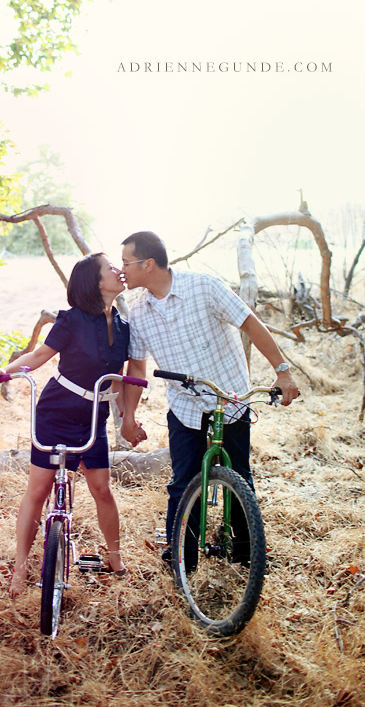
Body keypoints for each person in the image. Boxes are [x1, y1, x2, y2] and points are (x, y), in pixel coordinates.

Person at [118, 230, 299, 562]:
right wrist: (128, 416)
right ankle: (182, 560)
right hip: (185, 406)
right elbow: (137, 369)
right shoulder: (139, 311)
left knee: (239, 478)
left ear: (149, 264)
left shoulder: (204, 287)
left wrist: (282, 370)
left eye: (126, 263)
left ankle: (246, 558)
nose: (122, 270)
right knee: (183, 483)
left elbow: (251, 324)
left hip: (228, 399)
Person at [0, 253, 130, 595]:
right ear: (95, 282)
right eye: (111, 268)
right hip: (57, 411)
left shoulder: (123, 326)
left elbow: (119, 379)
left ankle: (115, 559)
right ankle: (20, 568)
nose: (118, 271)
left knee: (102, 490)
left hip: (94, 416)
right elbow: (38, 357)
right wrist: (5, 371)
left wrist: (127, 419)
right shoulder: (71, 320)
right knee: (38, 490)